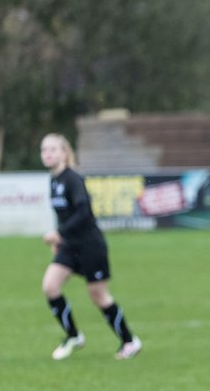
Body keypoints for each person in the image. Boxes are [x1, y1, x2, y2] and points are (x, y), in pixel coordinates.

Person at [39, 133, 143, 361]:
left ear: (64, 153)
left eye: (52, 149)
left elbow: (84, 212)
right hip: (69, 246)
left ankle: (129, 341)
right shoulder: (53, 180)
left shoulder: (72, 179)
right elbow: (63, 214)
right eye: (44, 150)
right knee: (50, 287)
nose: (47, 154)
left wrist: (59, 233)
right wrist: (59, 240)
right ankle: (74, 336)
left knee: (98, 295)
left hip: (89, 246)